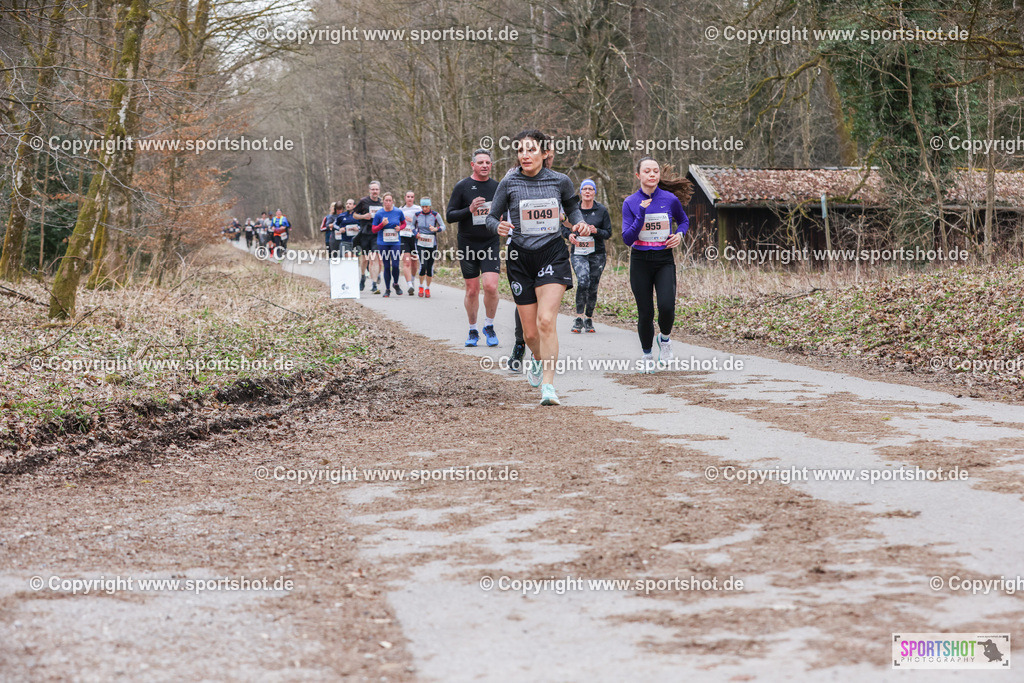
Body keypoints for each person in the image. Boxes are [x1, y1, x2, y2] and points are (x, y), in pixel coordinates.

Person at [487, 129, 586, 406]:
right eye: (520, 150)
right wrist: (500, 226)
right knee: (530, 334)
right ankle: (538, 359)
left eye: (531, 150)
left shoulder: (561, 181)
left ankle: (549, 386)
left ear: (545, 153)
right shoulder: (509, 182)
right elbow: (492, 217)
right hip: (520, 258)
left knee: (546, 321)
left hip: (552, 254)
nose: (525, 155)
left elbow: (573, 208)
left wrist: (577, 222)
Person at [622, 157, 693, 371]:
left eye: (655, 171)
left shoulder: (670, 199)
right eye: (647, 171)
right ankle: (646, 357)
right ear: (638, 176)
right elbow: (627, 238)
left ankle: (665, 339)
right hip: (640, 261)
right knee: (645, 312)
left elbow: (684, 221)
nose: (652, 175)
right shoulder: (630, 202)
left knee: (666, 306)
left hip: (664, 260)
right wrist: (641, 213)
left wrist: (680, 234)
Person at [446, 149, 500, 347]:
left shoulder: (497, 187)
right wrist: (469, 210)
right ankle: (473, 330)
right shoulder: (462, 186)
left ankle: (489, 325)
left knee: (491, 287)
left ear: (491, 165)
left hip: (490, 242)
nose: (485, 165)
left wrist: (502, 219)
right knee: (471, 290)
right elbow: (450, 216)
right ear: (473, 165)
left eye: (488, 162)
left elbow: (506, 212)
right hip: (467, 243)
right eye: (481, 162)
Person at [563, 179, 611, 333]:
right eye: (585, 189)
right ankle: (578, 317)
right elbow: (562, 228)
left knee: (593, 286)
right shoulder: (573, 210)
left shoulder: (601, 210)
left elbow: (608, 233)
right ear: (581, 192)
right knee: (583, 281)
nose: (588, 192)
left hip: (597, 254)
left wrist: (596, 230)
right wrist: (569, 236)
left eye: (591, 189)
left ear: (595, 192)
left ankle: (589, 319)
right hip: (578, 253)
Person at [371, 192, 406, 297]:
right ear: (383, 202)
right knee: (386, 266)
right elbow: (373, 229)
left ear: (392, 201)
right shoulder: (379, 214)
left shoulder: (398, 212)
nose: (388, 202)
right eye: (386, 200)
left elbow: (404, 223)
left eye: (390, 200)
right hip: (383, 243)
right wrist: (382, 224)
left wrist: (400, 228)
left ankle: (395, 283)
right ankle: (387, 289)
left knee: (395, 265)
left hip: (395, 242)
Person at [354, 181, 384, 294]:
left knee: (374, 258)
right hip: (365, 233)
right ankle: (362, 277)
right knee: (365, 259)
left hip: (377, 234)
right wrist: (363, 216)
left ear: (379, 190)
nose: (375, 191)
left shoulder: (382, 203)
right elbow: (354, 215)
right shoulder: (363, 201)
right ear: (369, 190)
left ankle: (374, 283)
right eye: (373, 189)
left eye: (376, 189)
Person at [412, 197, 444, 297]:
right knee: (423, 264)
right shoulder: (417, 215)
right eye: (423, 206)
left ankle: (428, 288)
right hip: (420, 243)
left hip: (432, 243)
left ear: (430, 206)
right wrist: (415, 233)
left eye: (426, 206)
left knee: (429, 267)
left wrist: (436, 229)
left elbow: (443, 226)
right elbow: (412, 226)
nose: (424, 208)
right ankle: (421, 286)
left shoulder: (435, 215)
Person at [399, 190, 421, 294]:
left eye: (412, 197)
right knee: (406, 262)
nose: (410, 199)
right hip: (404, 237)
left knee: (414, 263)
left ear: (414, 198)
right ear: (405, 198)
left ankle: (412, 279)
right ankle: (409, 285)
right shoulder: (400, 210)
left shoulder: (418, 209)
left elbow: (422, 222)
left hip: (414, 237)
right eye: (408, 196)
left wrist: (411, 220)